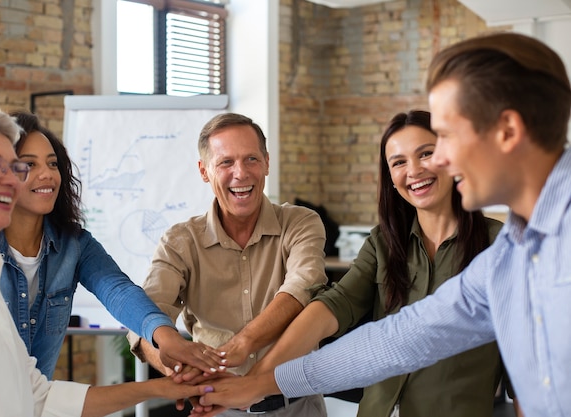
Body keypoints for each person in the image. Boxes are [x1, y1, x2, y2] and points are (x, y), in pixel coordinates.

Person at [196, 32, 571, 417]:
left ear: (507, 131)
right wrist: (257, 384)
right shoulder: (511, 253)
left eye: (444, 137)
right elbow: (399, 340)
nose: (437, 160)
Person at [0, 105, 212, 417]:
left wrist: (165, 353)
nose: (10, 178)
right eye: (21, 165)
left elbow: (36, 395)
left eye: (52, 164)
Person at [247, 109, 504, 417]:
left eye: (426, 154)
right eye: (399, 162)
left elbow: (525, 365)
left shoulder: (499, 245)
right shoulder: (383, 242)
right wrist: (257, 378)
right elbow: (334, 305)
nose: (414, 170)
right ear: (391, 179)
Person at [0, 111, 224, 379]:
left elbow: (118, 290)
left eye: (53, 164)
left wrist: (166, 336)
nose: (47, 175)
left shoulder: (74, 245)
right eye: (29, 165)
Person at [128, 112, 329, 416]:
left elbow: (303, 286)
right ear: (204, 171)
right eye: (226, 162)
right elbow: (143, 317)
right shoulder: (180, 241)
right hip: (217, 408)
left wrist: (243, 343)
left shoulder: (301, 223)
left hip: (297, 407)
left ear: (266, 163)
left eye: (251, 159)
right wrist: (182, 374)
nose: (241, 173)